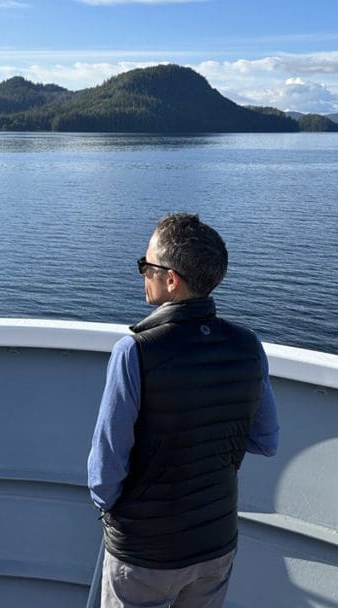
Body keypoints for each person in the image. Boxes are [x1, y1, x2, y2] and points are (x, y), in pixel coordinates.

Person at [88, 213, 279, 608]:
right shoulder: (248, 346)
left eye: (146, 266)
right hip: (215, 544)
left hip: (145, 553)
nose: (142, 274)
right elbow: (266, 440)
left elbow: (105, 470)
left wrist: (114, 519)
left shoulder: (136, 351)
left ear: (171, 279)